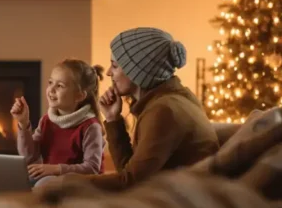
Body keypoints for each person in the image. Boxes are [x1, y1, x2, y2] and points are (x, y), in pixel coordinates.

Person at [65, 27, 219, 191]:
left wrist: (68, 182)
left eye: (115, 66)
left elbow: (130, 183)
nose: (109, 73)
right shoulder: (172, 99)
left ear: (137, 72)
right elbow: (129, 172)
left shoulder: (164, 111)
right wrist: (113, 119)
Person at [11, 59, 106, 188]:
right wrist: (23, 123)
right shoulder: (46, 120)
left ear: (79, 96)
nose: (51, 89)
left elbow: (92, 168)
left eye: (60, 86)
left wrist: (56, 169)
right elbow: (29, 157)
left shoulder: (90, 126)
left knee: (43, 185)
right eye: (50, 83)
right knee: (15, 180)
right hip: (52, 178)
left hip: (83, 185)